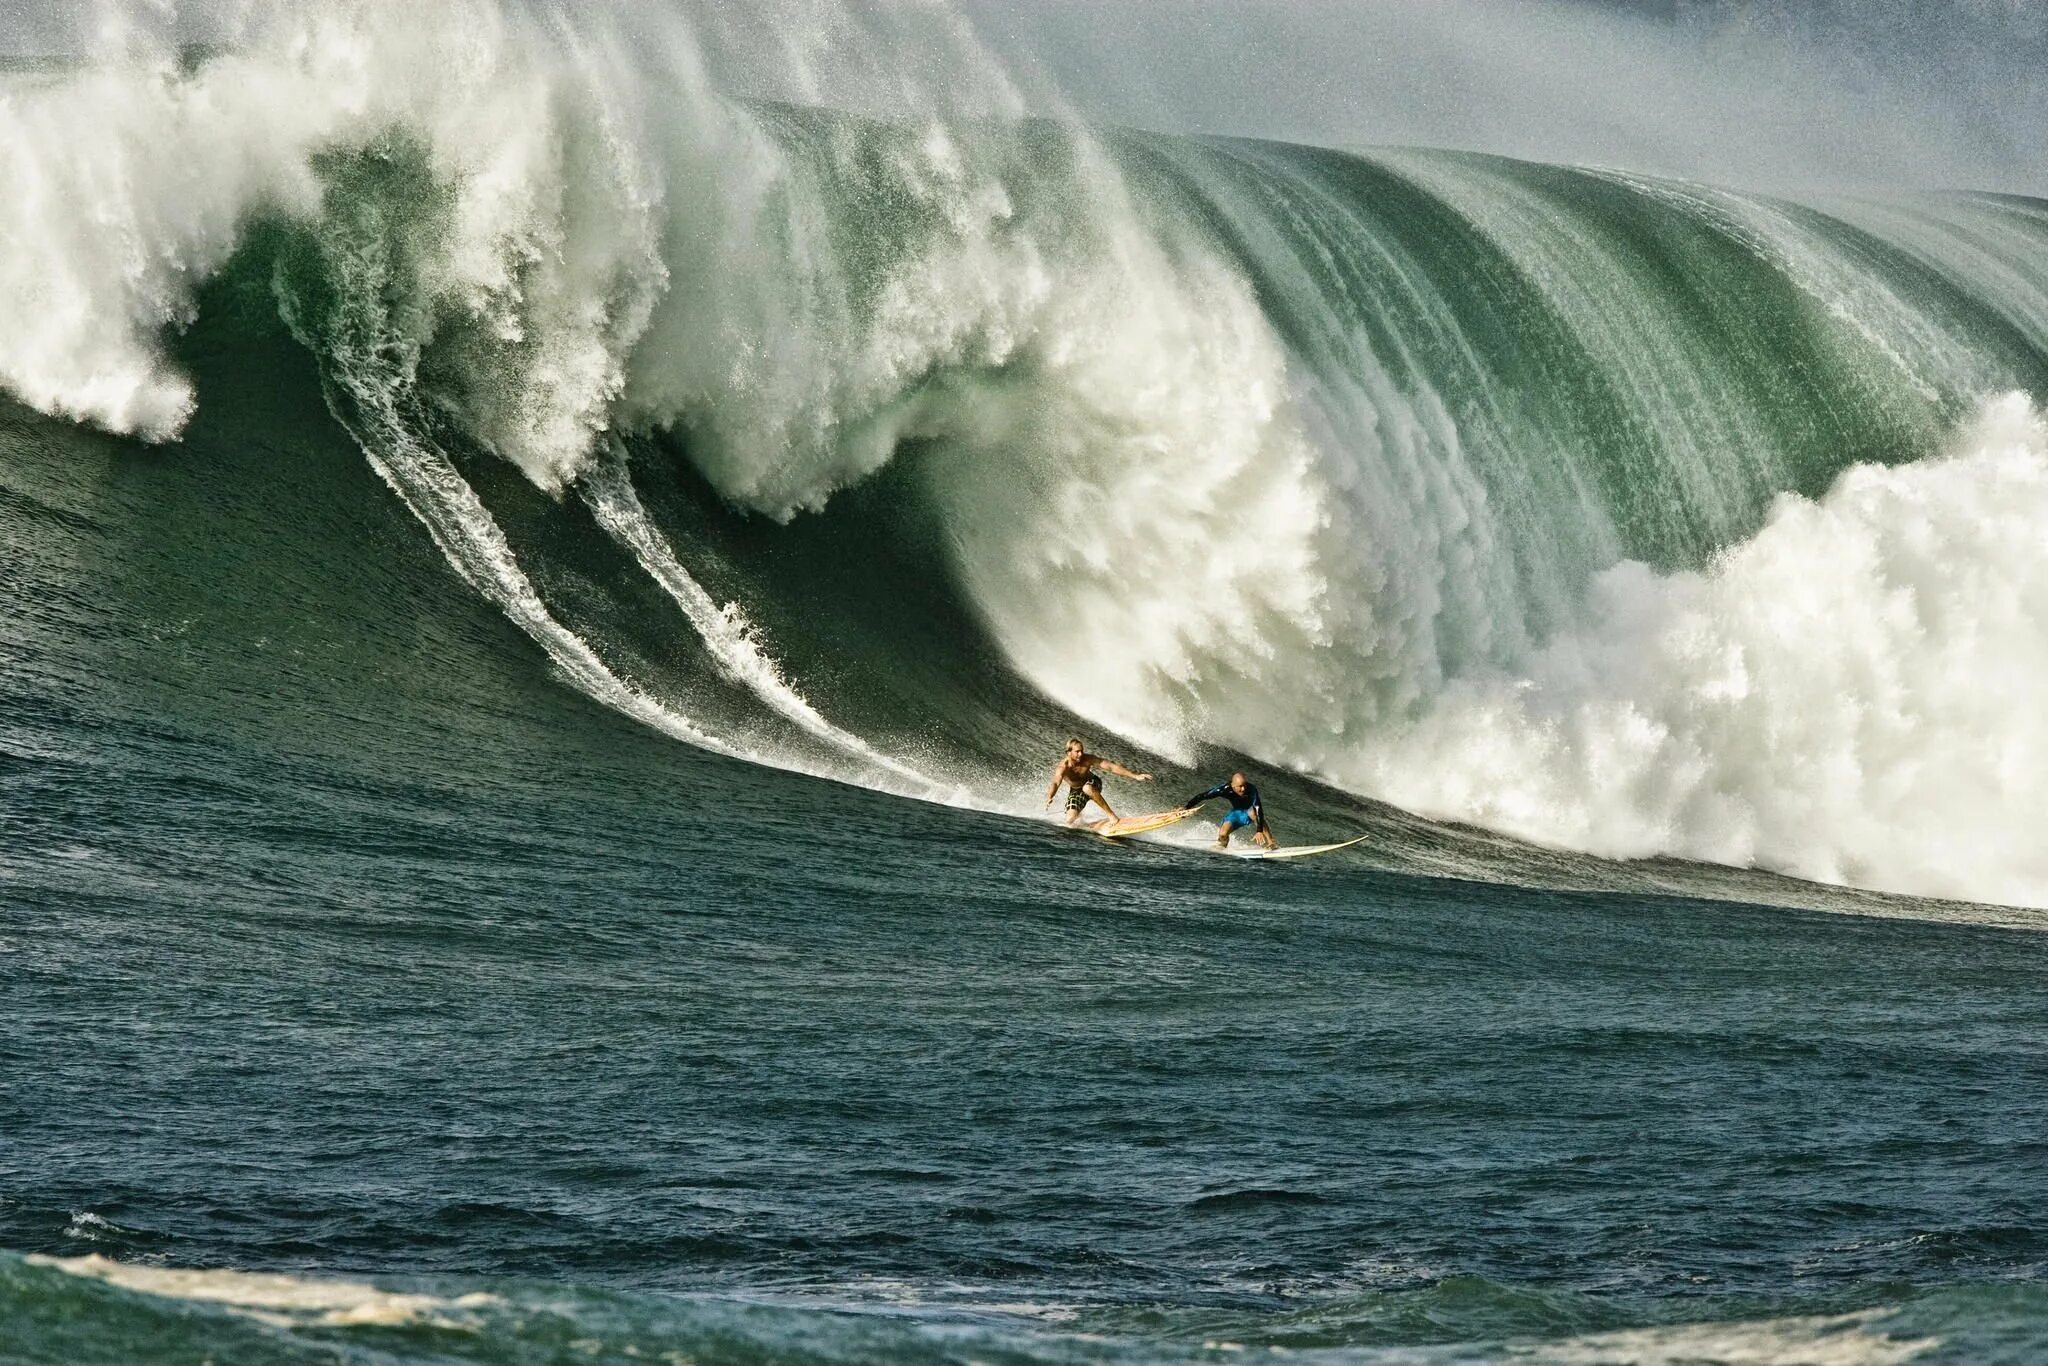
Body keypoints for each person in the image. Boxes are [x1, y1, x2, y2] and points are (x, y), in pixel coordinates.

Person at [1044, 737, 1153, 826]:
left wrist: (1135, 776)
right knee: (1069, 820)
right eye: (1077, 751)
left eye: (1082, 751)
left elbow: (1111, 767)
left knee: (1087, 788)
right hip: (1076, 790)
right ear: (1068, 752)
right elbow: (1055, 782)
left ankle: (1112, 816)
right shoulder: (1063, 767)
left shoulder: (1088, 759)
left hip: (1092, 782)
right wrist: (1050, 796)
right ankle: (1080, 816)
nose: (1081, 754)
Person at [1182, 771, 1276, 850]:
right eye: (1240, 786)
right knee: (1223, 834)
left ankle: (1271, 843)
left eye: (1244, 785)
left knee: (1254, 812)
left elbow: (1258, 808)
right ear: (1233, 785)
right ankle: (1222, 847)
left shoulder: (1251, 789)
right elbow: (1203, 796)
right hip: (1236, 813)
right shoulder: (1224, 789)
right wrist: (1186, 808)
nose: (1243, 789)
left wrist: (1259, 831)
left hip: (1250, 812)